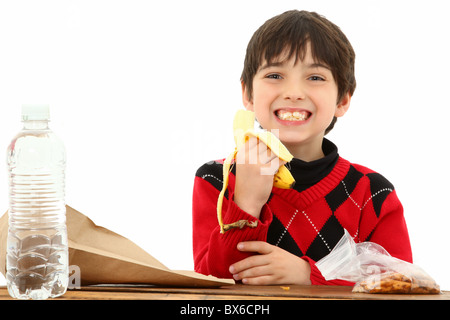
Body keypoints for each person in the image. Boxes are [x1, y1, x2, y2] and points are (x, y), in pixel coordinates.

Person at [192, 10, 412, 286]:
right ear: (248, 94)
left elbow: (403, 286)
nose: (293, 92)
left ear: (342, 99)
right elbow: (209, 286)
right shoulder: (216, 180)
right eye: (274, 75)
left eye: (315, 77)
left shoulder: (373, 193)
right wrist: (246, 204)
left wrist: (310, 277)